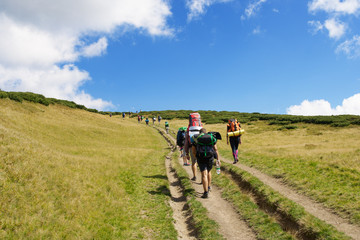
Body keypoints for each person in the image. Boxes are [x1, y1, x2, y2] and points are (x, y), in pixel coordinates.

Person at [192, 128, 220, 199]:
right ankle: (209, 186)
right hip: (210, 157)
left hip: (201, 158)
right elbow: (215, 149)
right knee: (209, 171)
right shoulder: (210, 138)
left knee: (204, 174)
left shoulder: (196, 138)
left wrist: (196, 157)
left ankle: (205, 192)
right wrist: (218, 159)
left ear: (199, 133)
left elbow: (193, 151)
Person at [185, 112, 203, 181]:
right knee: (200, 163)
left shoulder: (189, 128)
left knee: (194, 162)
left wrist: (186, 152)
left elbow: (186, 141)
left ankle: (195, 176)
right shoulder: (201, 126)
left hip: (192, 146)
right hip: (201, 147)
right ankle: (203, 179)